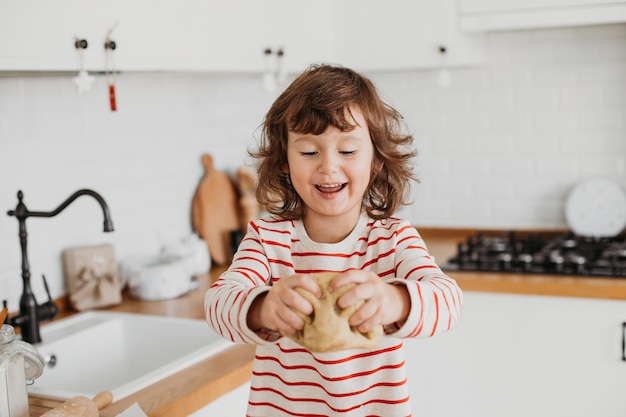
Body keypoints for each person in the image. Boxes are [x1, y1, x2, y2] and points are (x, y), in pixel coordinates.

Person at [204, 63, 463, 416]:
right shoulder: (267, 240)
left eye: (348, 151)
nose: (328, 167)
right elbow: (218, 302)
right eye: (309, 152)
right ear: (284, 161)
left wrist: (394, 300)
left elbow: (448, 301)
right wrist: (264, 307)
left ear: (375, 159)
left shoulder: (392, 239)